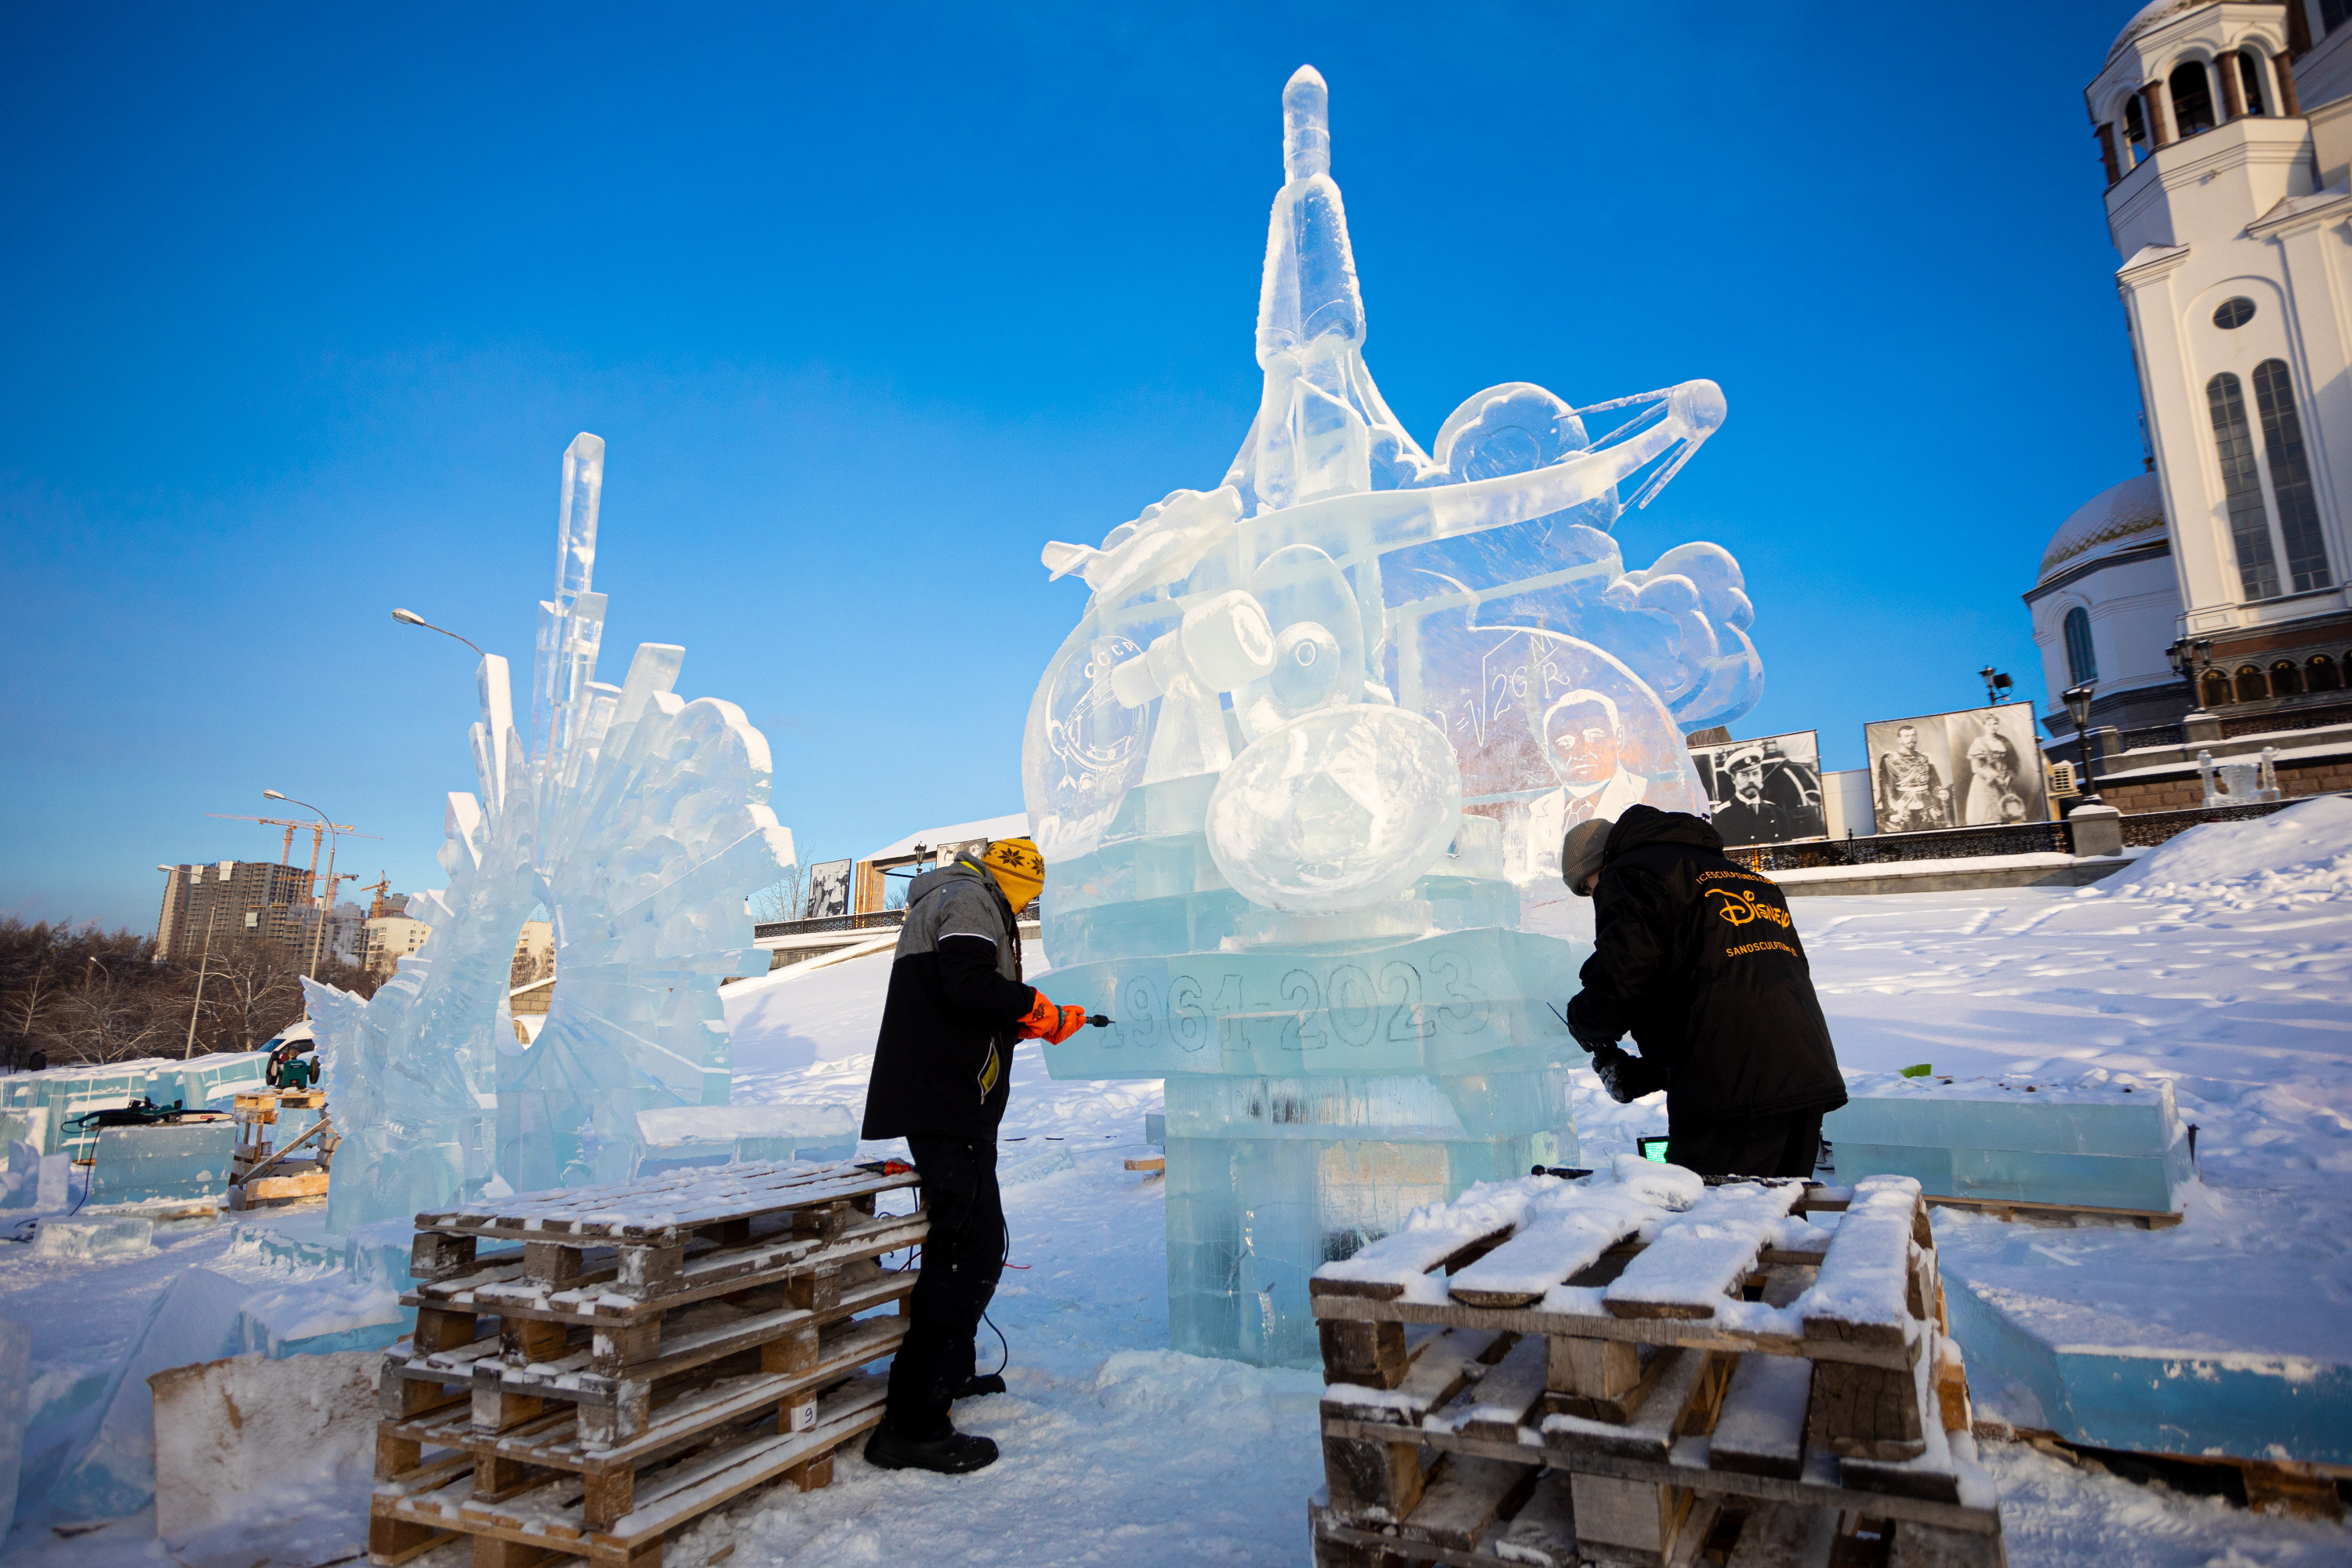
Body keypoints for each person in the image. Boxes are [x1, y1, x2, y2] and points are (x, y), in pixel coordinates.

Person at [860, 837, 1087, 1475]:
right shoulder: (967, 898)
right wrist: (1032, 1005)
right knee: (973, 1245)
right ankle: (915, 1423)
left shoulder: (963, 897)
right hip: (943, 1096)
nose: (1026, 909)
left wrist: (1030, 1019)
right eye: (1028, 899)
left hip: (949, 1094)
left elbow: (961, 996)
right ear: (1014, 884)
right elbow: (968, 985)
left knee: (965, 1239)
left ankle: (949, 1374)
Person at [1558, 805, 1846, 1178]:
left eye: (1589, 886)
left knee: (1713, 1224)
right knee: (1780, 1222)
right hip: (1805, 1072)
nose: (1594, 894)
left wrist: (1585, 1020)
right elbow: (1726, 997)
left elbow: (1624, 980)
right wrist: (1649, 1072)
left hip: (1730, 1096)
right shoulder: (1745, 879)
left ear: (1602, 864)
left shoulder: (1632, 874)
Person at [1524, 689, 1649, 879]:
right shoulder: (1540, 810)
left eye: (1594, 738)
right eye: (1565, 744)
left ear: (1618, 739)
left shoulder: (1644, 793)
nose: (1580, 752)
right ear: (1548, 753)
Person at [1708, 745, 1791, 848]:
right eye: (1744, 775)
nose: (1751, 780)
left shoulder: (1776, 812)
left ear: (1761, 775)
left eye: (1755, 774)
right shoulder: (1719, 816)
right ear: (1734, 779)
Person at [1876, 724, 1951, 833]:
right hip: (1903, 805)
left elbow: (1933, 781)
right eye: (1906, 736)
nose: (1911, 738)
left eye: (1913, 735)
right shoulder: (1890, 760)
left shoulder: (1924, 757)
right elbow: (1887, 788)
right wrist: (1893, 811)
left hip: (1926, 803)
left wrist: (1940, 791)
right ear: (1899, 740)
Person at [1962, 713, 2026, 826]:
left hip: (2005, 782)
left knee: (2009, 813)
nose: (1993, 727)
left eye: (1995, 724)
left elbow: (2012, 762)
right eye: (1989, 724)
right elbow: (1976, 767)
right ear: (1984, 725)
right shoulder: (1979, 743)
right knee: (1989, 816)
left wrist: (2009, 777)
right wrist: (1994, 777)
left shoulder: (2004, 741)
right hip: (1986, 783)